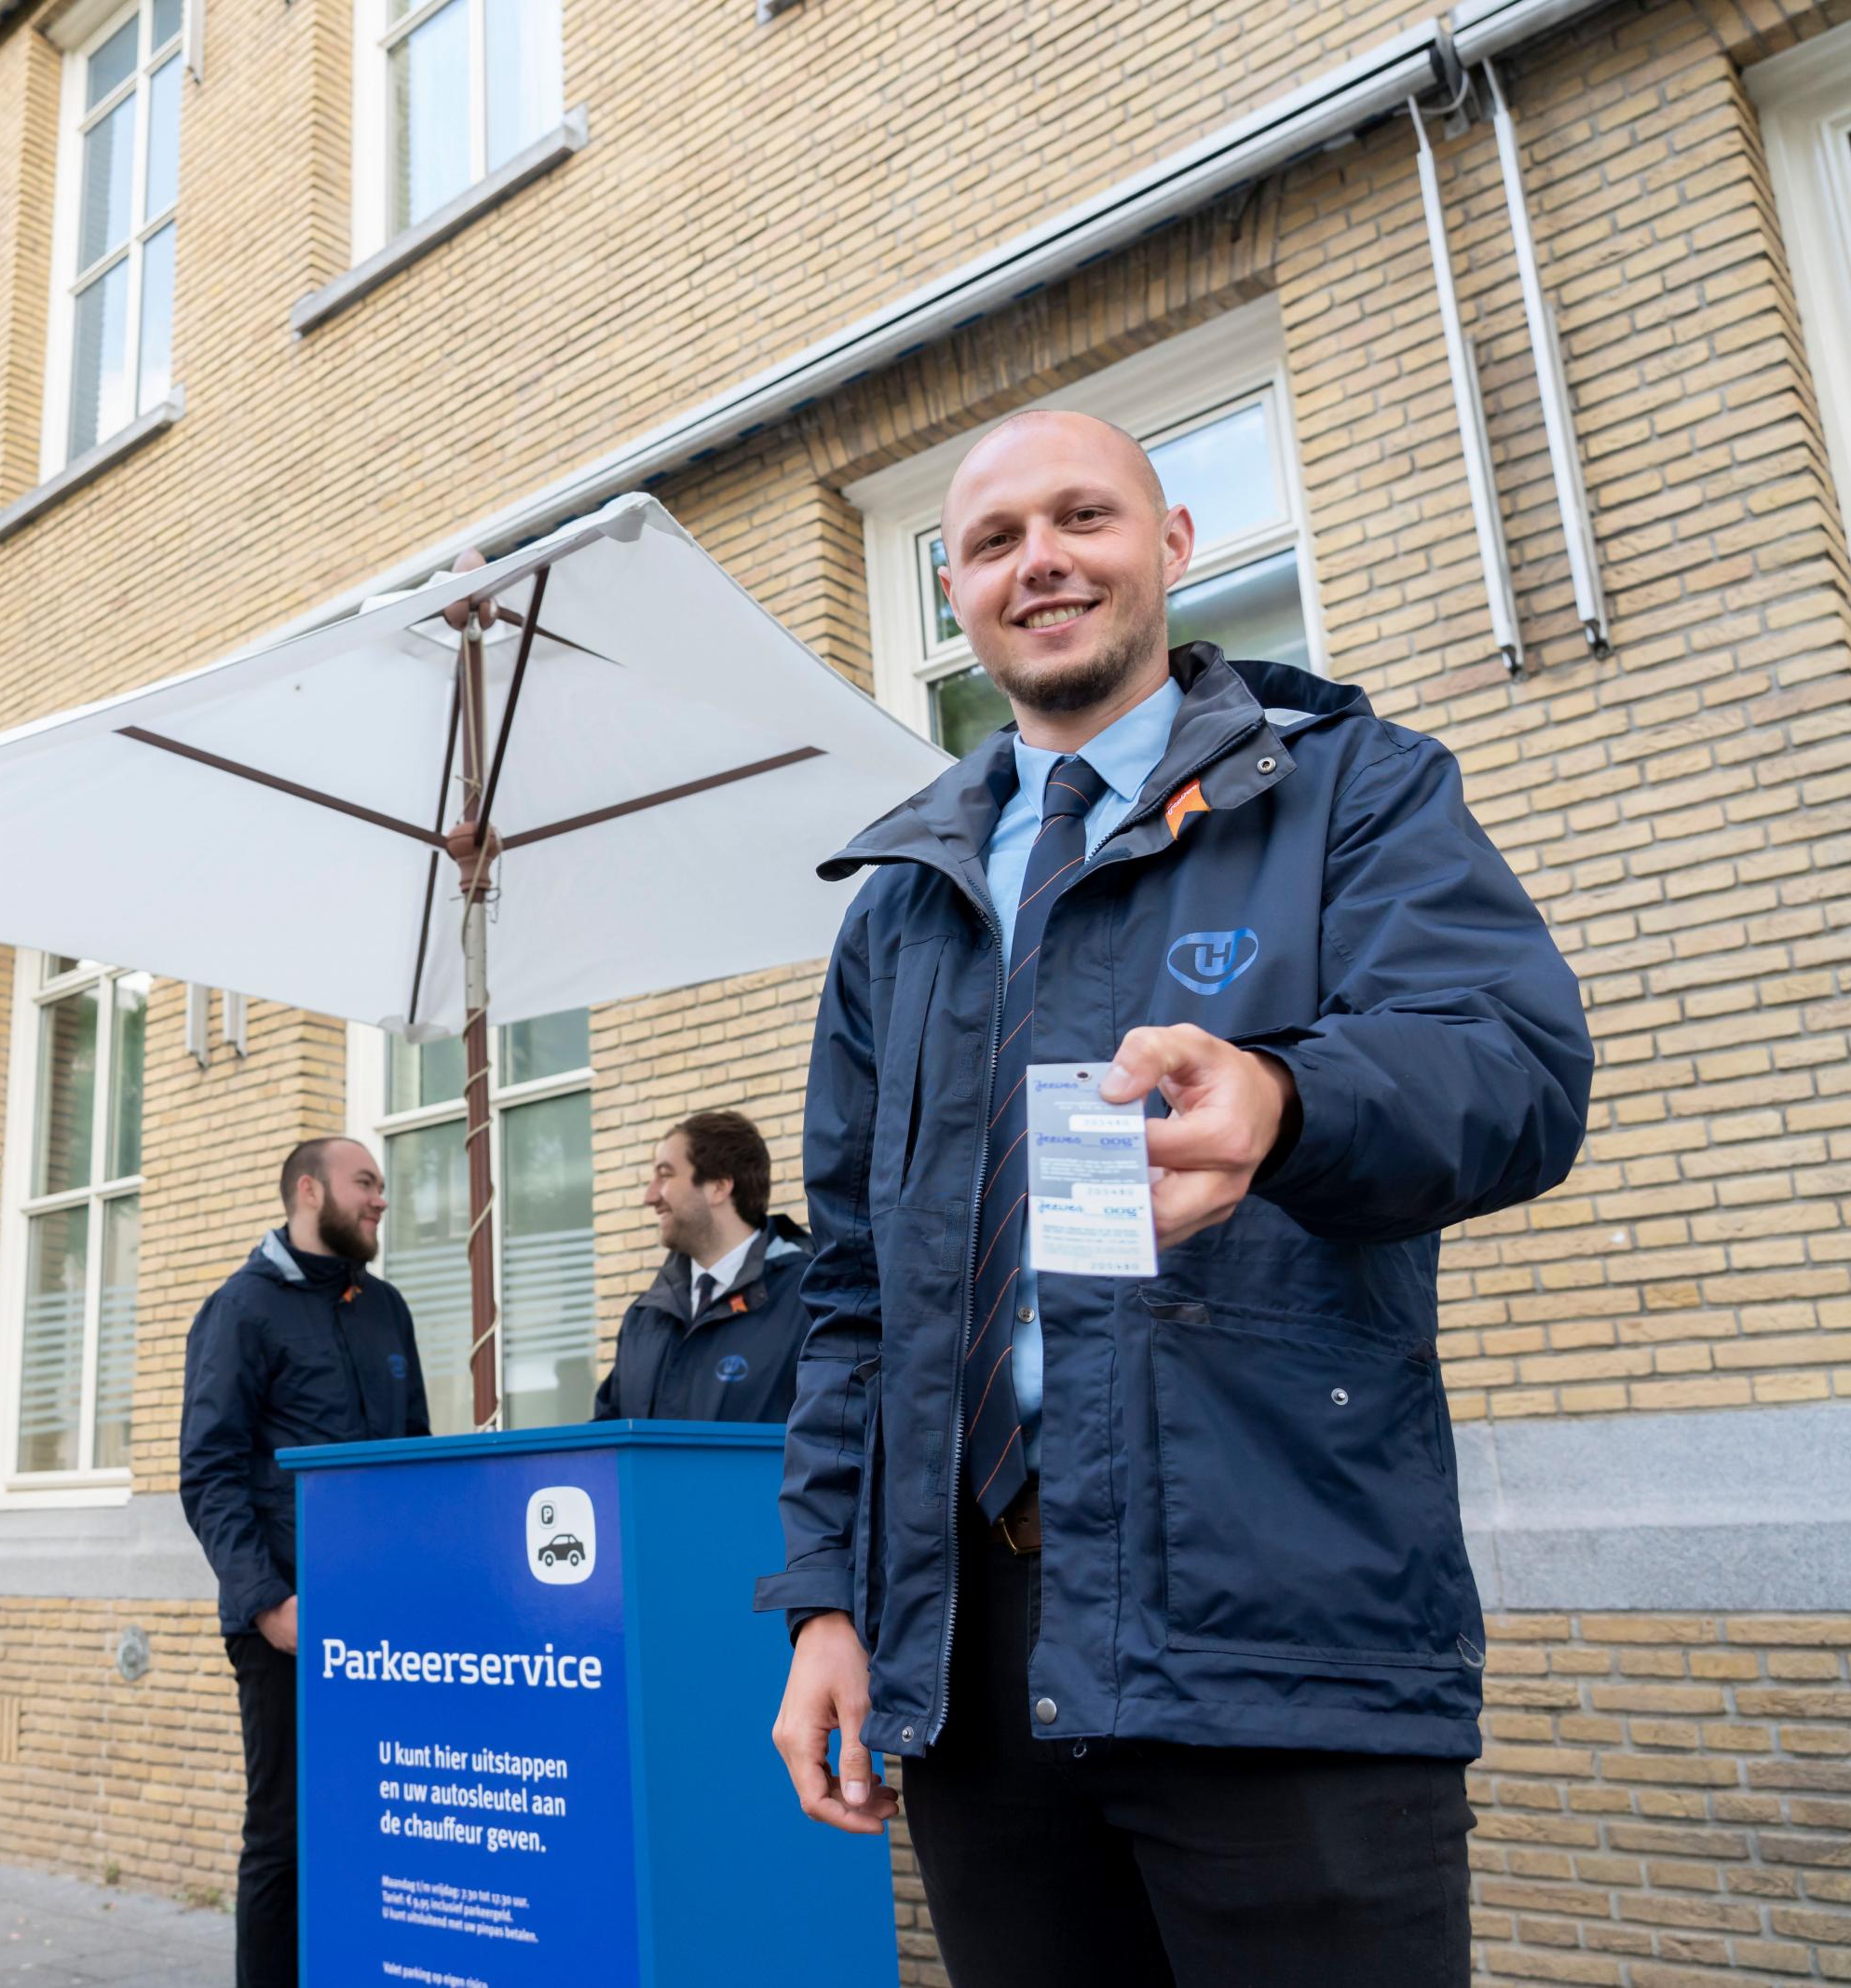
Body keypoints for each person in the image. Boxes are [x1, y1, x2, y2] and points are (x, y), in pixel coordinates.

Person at [759, 409, 1592, 1986]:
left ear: (1175, 545)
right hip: (977, 1658)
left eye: (1085, 516)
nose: (1043, 561)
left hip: (1273, 1623)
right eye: (997, 540)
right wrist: (825, 1603)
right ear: (955, 590)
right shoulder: (902, 911)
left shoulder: (1353, 792)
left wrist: (1293, 1099)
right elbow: (856, 1293)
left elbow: (1518, 1067)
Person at [179, 1136, 427, 1988]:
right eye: (367, 1183)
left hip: (383, 1620)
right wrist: (268, 1603)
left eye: (384, 1187)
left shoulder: (387, 1308)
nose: (381, 1199)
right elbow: (208, 1472)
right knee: (283, 1831)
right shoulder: (241, 1309)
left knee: (376, 1818)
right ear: (309, 1191)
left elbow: (414, 1460)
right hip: (288, 1620)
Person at [592, 1110, 812, 1423]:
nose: (649, 1196)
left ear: (719, 1187)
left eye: (665, 1175)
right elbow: (607, 1448)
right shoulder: (643, 1319)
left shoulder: (810, 1301)